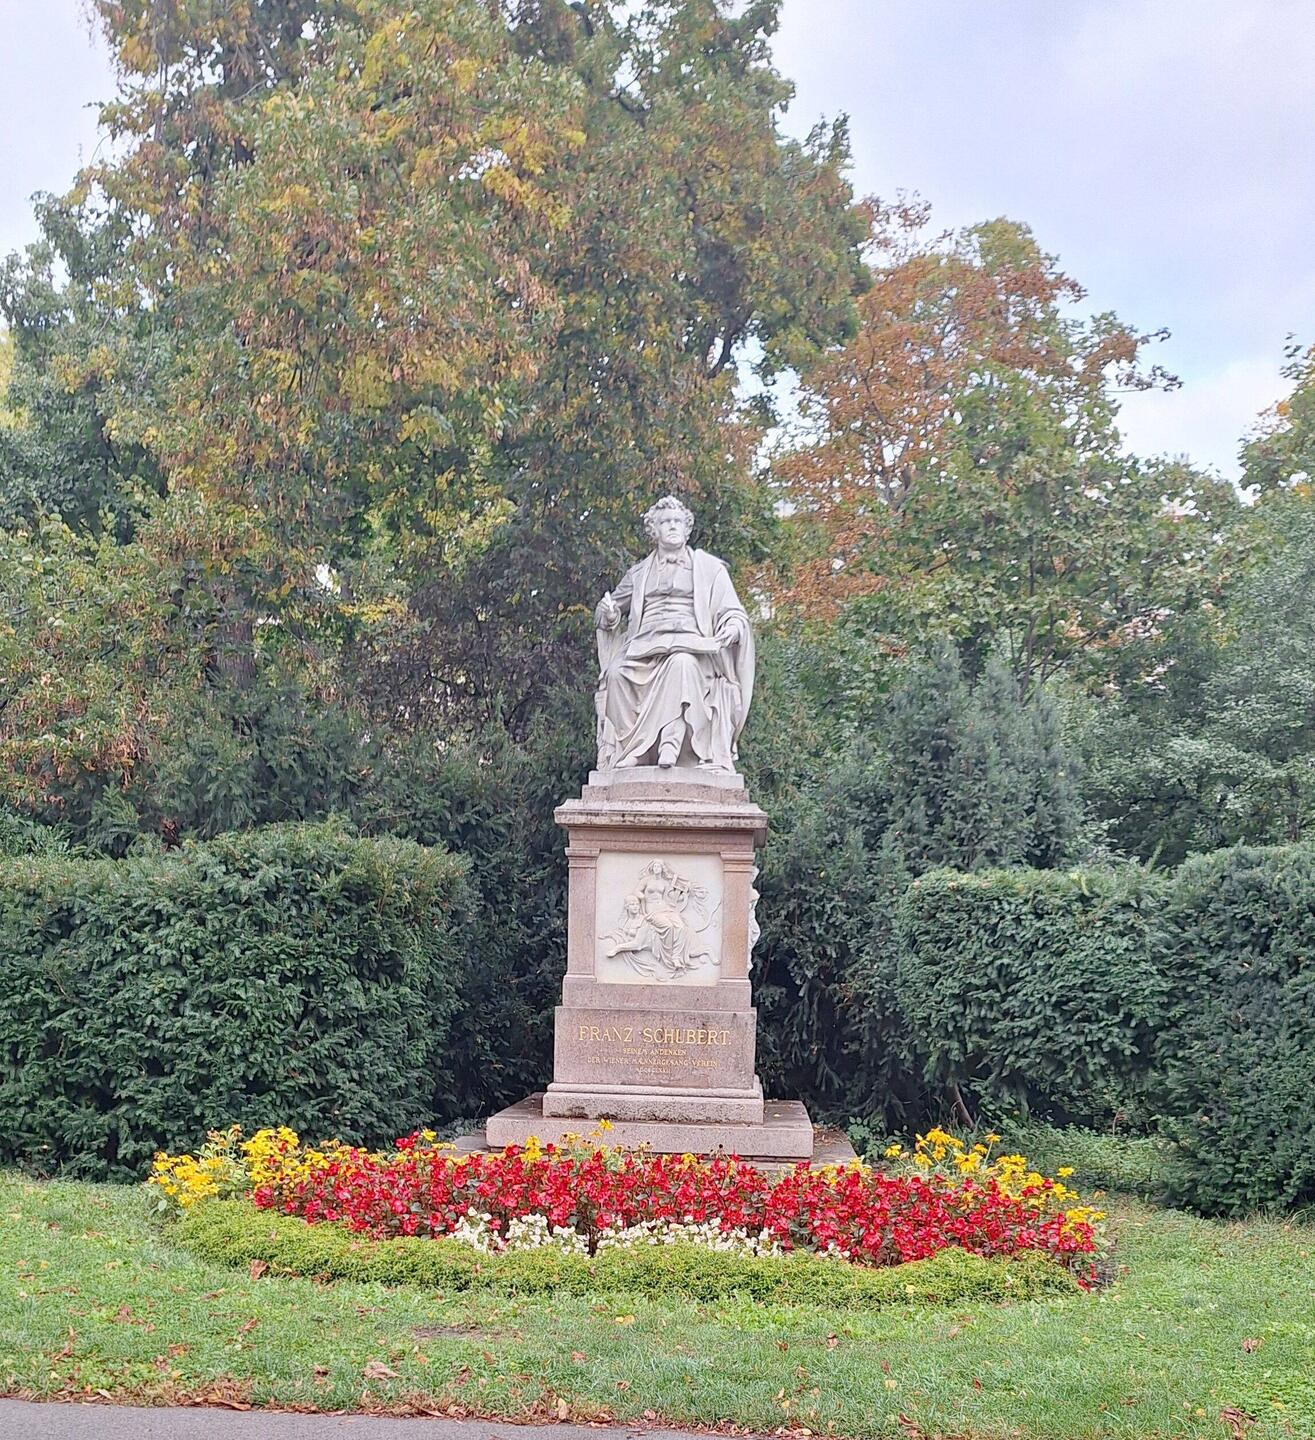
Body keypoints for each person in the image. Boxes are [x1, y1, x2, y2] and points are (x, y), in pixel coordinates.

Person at [594, 496, 755, 771]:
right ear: (653, 530)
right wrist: (608, 615)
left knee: (680, 664)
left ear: (687, 528)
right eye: (665, 522)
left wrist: (731, 628)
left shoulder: (710, 569)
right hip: (644, 648)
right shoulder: (639, 573)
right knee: (615, 674)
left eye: (677, 521)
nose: (672, 527)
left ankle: (671, 743)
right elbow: (607, 610)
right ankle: (635, 749)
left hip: (692, 646)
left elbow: (734, 612)